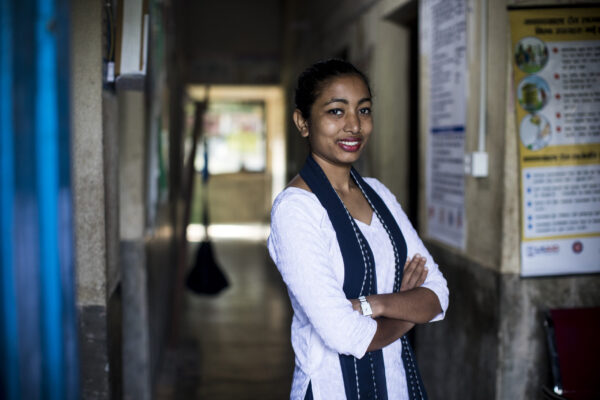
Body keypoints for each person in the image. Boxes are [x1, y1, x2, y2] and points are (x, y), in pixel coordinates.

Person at [267, 59, 449, 400]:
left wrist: (373, 304)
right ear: (302, 122)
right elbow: (344, 334)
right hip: (331, 388)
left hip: (398, 384)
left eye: (363, 111)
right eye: (336, 112)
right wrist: (407, 312)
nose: (354, 125)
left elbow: (438, 296)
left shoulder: (378, 193)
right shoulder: (295, 211)